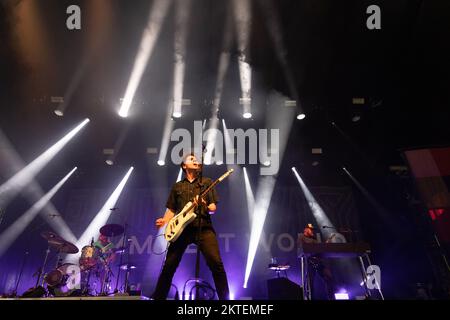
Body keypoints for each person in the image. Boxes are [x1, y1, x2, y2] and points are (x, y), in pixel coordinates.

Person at [151, 153, 229, 300]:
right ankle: (158, 297)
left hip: (203, 227)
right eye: (191, 159)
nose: (195, 160)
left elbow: (213, 208)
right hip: (181, 231)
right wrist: (164, 221)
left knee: (216, 264)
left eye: (196, 159)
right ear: (184, 165)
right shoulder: (177, 186)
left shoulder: (207, 182)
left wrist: (205, 204)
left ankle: (225, 300)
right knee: (169, 266)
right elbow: (172, 210)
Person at [298, 223, 336, 300]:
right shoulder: (301, 236)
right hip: (309, 261)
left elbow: (321, 247)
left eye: (312, 230)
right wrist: (313, 241)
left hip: (318, 261)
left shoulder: (314, 238)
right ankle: (309, 298)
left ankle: (331, 298)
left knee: (328, 277)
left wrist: (328, 240)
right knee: (310, 283)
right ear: (306, 230)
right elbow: (302, 245)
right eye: (310, 229)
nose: (312, 231)